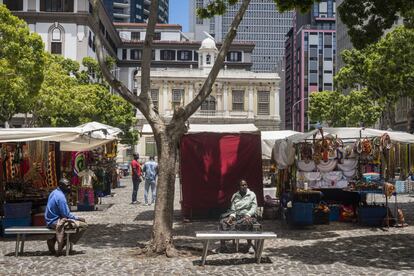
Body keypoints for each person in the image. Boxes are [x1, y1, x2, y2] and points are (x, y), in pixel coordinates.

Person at [44, 178, 87, 255]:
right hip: (55, 221)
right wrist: (78, 218)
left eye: (69, 186)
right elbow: (66, 215)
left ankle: (53, 240)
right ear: (61, 186)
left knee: (74, 223)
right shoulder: (61, 197)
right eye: (67, 186)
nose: (69, 188)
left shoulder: (54, 192)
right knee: (83, 226)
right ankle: (65, 241)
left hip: (49, 220)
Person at [218, 179, 258, 253]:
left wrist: (248, 214)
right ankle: (223, 246)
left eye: (245, 184)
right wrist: (231, 217)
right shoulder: (235, 196)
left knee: (247, 222)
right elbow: (233, 209)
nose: (244, 186)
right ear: (239, 187)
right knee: (222, 222)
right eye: (242, 185)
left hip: (248, 216)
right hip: (237, 216)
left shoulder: (252, 194)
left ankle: (249, 245)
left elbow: (254, 207)